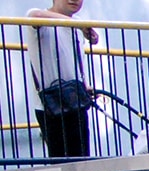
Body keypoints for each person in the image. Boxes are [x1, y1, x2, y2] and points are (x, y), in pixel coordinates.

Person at [25, 0, 98, 157]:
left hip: (75, 101)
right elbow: (34, 15)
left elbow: (75, 62)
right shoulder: (39, 16)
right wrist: (75, 23)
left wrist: (85, 85)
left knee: (83, 159)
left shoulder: (77, 26)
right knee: (61, 162)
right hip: (50, 105)